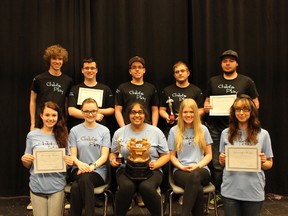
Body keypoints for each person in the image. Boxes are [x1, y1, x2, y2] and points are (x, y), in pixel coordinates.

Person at [204, 50, 260, 208]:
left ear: (237, 63)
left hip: (241, 129)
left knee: (242, 161)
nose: (227, 63)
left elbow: (256, 103)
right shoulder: (213, 81)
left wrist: (245, 110)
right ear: (221, 64)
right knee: (217, 164)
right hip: (216, 129)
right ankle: (220, 195)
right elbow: (207, 102)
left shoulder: (246, 81)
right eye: (224, 61)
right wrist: (207, 107)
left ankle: (241, 193)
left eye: (230, 60)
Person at [110, 102, 170, 216]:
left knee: (146, 187)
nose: (137, 115)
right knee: (126, 187)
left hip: (151, 169)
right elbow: (113, 154)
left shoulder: (155, 132)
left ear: (145, 115)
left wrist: (156, 164)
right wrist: (112, 160)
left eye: (140, 112)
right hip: (126, 169)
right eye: (133, 112)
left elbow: (166, 155)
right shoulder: (120, 132)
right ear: (128, 115)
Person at [219, 94, 273, 216]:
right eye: (238, 109)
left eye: (245, 109)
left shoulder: (263, 134)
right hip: (230, 191)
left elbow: (269, 164)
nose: (241, 113)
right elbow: (222, 161)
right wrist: (222, 159)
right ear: (234, 112)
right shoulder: (225, 133)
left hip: (253, 192)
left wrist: (264, 162)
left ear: (251, 112)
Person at [21, 101, 73, 216]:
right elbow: (28, 165)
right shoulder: (32, 135)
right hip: (37, 185)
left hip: (57, 186)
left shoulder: (64, 135)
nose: (50, 118)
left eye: (54, 115)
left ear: (58, 116)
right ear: (41, 115)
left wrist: (69, 163)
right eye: (47, 115)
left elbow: (68, 164)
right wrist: (25, 160)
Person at [168, 98, 212, 216]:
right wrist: (181, 167)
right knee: (197, 188)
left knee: (196, 175)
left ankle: (185, 214)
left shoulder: (204, 130)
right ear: (181, 113)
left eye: (192, 112)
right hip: (181, 170)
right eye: (185, 112)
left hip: (201, 169)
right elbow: (172, 156)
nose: (188, 115)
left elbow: (209, 155)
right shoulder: (174, 131)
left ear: (196, 113)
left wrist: (197, 165)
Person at [68, 98, 111, 216]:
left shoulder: (104, 131)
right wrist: (80, 165)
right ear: (82, 112)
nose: (90, 114)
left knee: (77, 186)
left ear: (97, 111)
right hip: (77, 169)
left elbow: (104, 156)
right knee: (84, 179)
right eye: (86, 111)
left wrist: (92, 166)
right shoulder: (74, 131)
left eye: (93, 111)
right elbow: (73, 156)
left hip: (98, 171)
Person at [30, 44, 73, 131]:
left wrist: (65, 123)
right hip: (41, 121)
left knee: (60, 145)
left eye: (60, 59)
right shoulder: (39, 79)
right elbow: (32, 100)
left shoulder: (68, 80)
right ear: (49, 60)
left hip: (59, 122)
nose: (57, 61)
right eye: (54, 58)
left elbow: (66, 103)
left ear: (63, 60)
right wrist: (33, 123)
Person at [159, 61, 204, 137]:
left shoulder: (196, 90)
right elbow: (161, 110)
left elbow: (201, 110)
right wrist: (167, 117)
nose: (180, 73)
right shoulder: (167, 91)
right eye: (177, 72)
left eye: (182, 71)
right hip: (172, 127)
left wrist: (185, 116)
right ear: (174, 75)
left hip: (192, 128)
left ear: (188, 73)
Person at [68, 58, 114, 128]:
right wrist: (94, 116)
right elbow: (71, 111)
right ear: (82, 70)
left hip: (100, 128)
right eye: (86, 68)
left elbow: (111, 110)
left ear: (96, 70)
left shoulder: (105, 89)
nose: (89, 70)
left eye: (92, 68)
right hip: (79, 128)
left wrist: (94, 112)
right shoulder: (75, 89)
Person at [114, 56, 159, 128]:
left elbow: (155, 110)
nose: (137, 69)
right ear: (130, 71)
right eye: (134, 67)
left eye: (140, 67)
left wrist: (154, 128)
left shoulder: (151, 88)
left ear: (144, 70)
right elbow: (117, 110)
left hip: (147, 127)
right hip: (128, 126)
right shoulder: (122, 88)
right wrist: (123, 128)